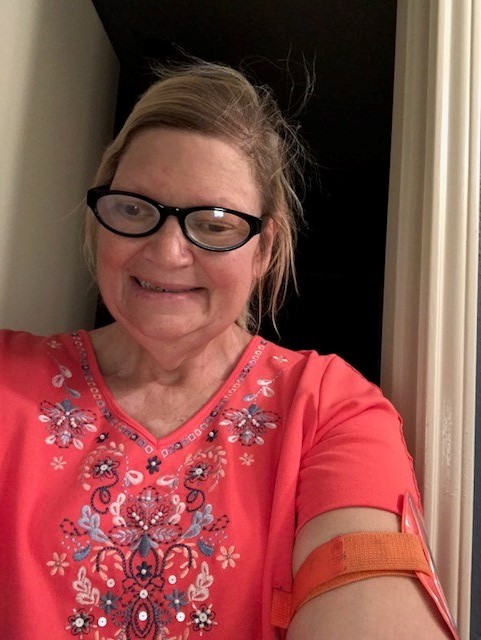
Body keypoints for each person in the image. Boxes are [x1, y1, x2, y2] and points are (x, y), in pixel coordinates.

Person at [0, 59, 459, 640]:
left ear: (263, 249)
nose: (166, 254)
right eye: (134, 209)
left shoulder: (329, 409)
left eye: (215, 223)